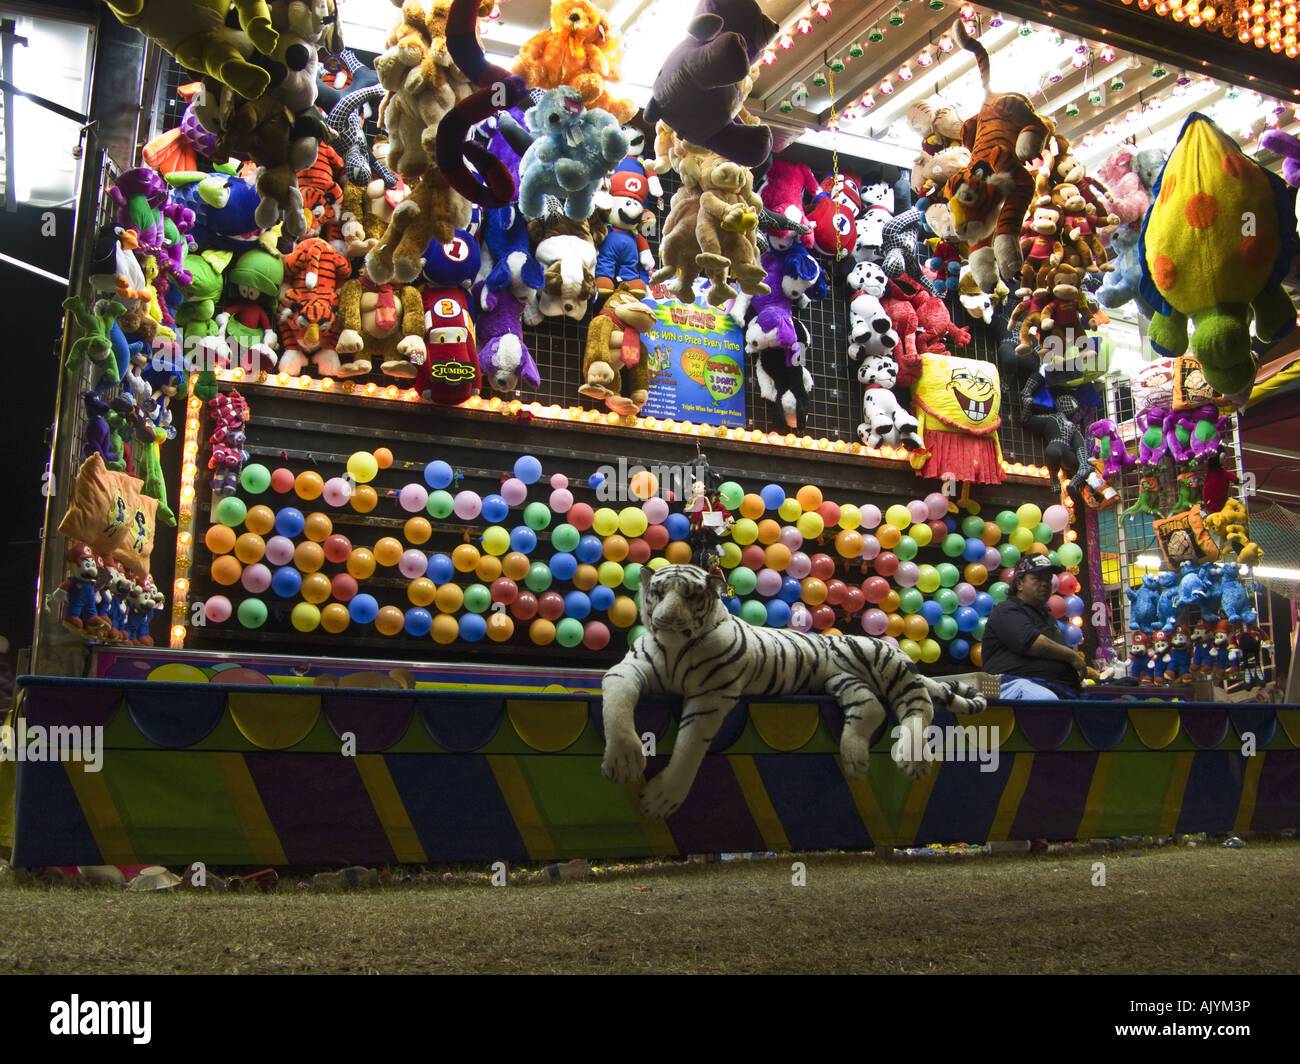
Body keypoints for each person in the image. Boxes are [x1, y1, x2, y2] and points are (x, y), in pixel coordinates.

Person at [983, 555, 1087, 700]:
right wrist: (1072, 656)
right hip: (1011, 684)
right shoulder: (1006, 610)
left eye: (1048, 579)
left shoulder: (1048, 618)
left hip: (1053, 686)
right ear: (1019, 583)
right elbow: (1032, 643)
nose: (1045, 584)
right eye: (1037, 578)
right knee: (1046, 699)